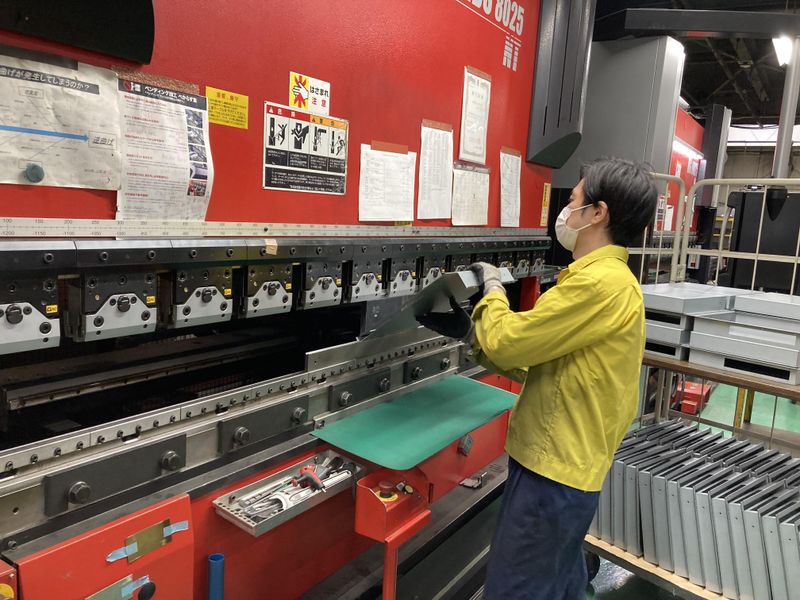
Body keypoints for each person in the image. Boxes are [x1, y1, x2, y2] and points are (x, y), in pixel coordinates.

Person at [420, 157, 657, 599]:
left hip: (553, 476)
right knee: (561, 583)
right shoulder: (612, 281)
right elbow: (549, 368)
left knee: (516, 590)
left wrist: (492, 290)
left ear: (598, 213)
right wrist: (473, 335)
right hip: (567, 470)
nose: (565, 210)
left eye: (573, 200)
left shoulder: (597, 284)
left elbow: (509, 342)